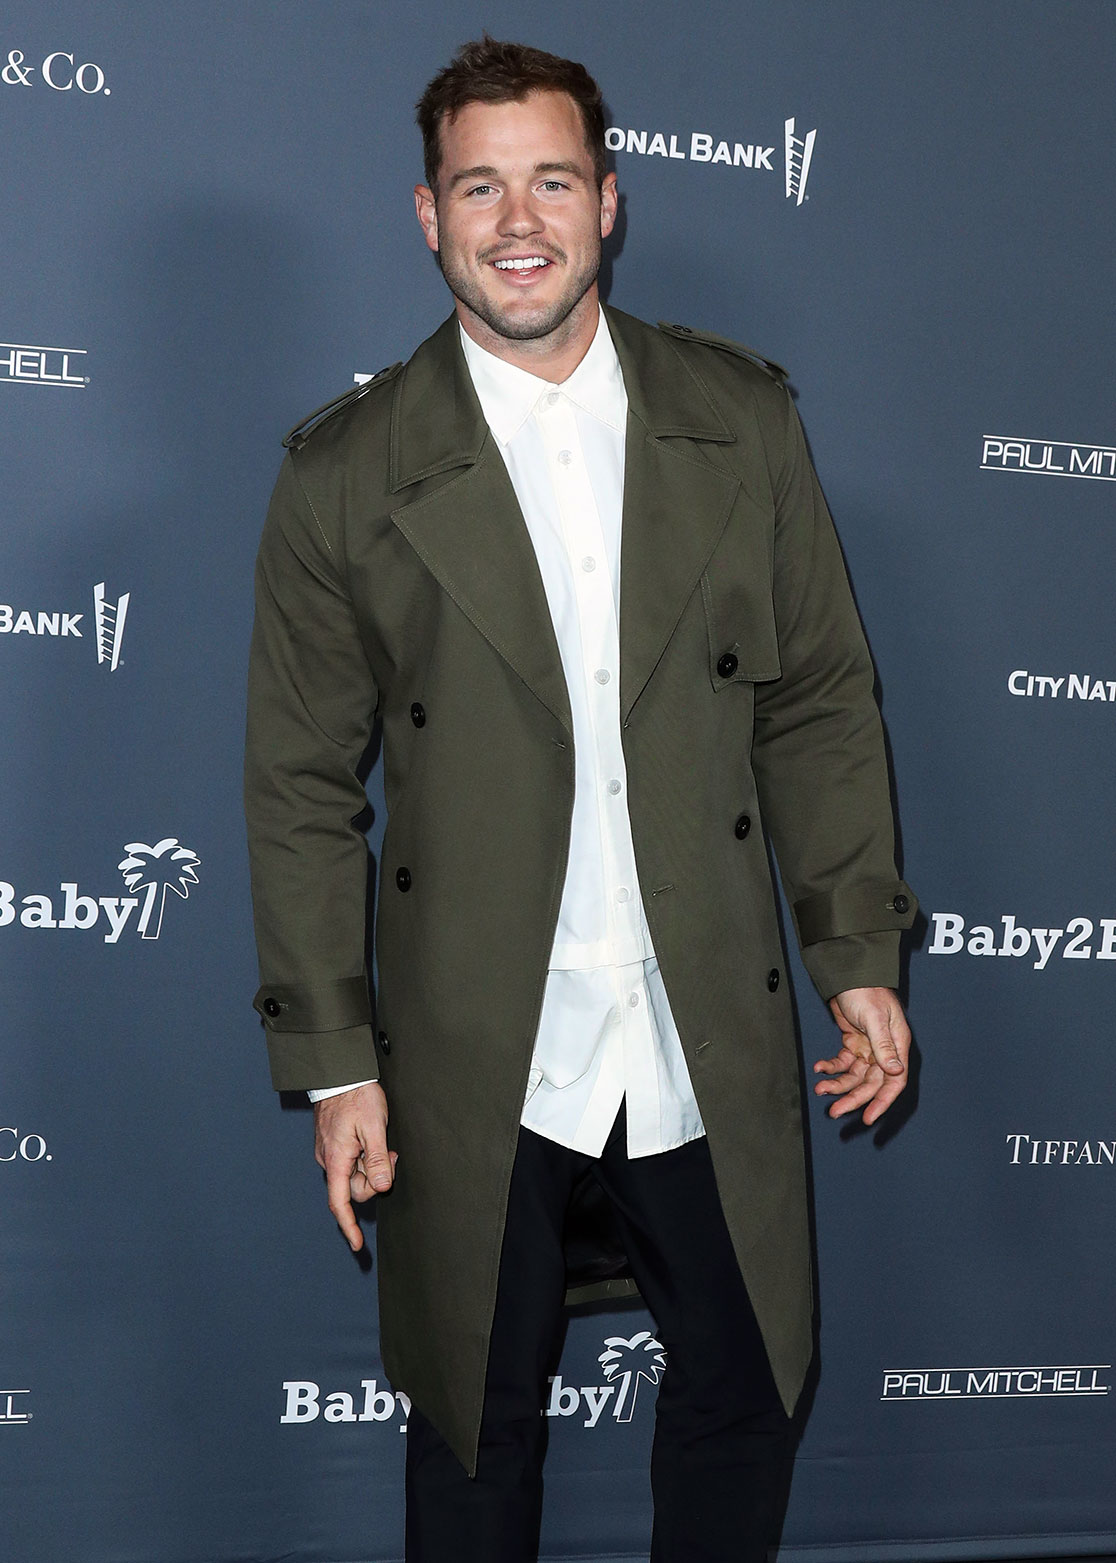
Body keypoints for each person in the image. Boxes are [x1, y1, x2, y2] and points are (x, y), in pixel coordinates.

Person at [245, 35, 917, 1563]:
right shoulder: (345, 474)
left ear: (609, 200)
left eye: (551, 180)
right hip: (481, 1045)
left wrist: (855, 949)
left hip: (699, 1019)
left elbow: (818, 698)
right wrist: (339, 1064)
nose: (518, 221)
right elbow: (298, 785)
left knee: (745, 1403)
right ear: (429, 215)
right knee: (473, 1443)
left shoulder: (740, 420)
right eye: (480, 187)